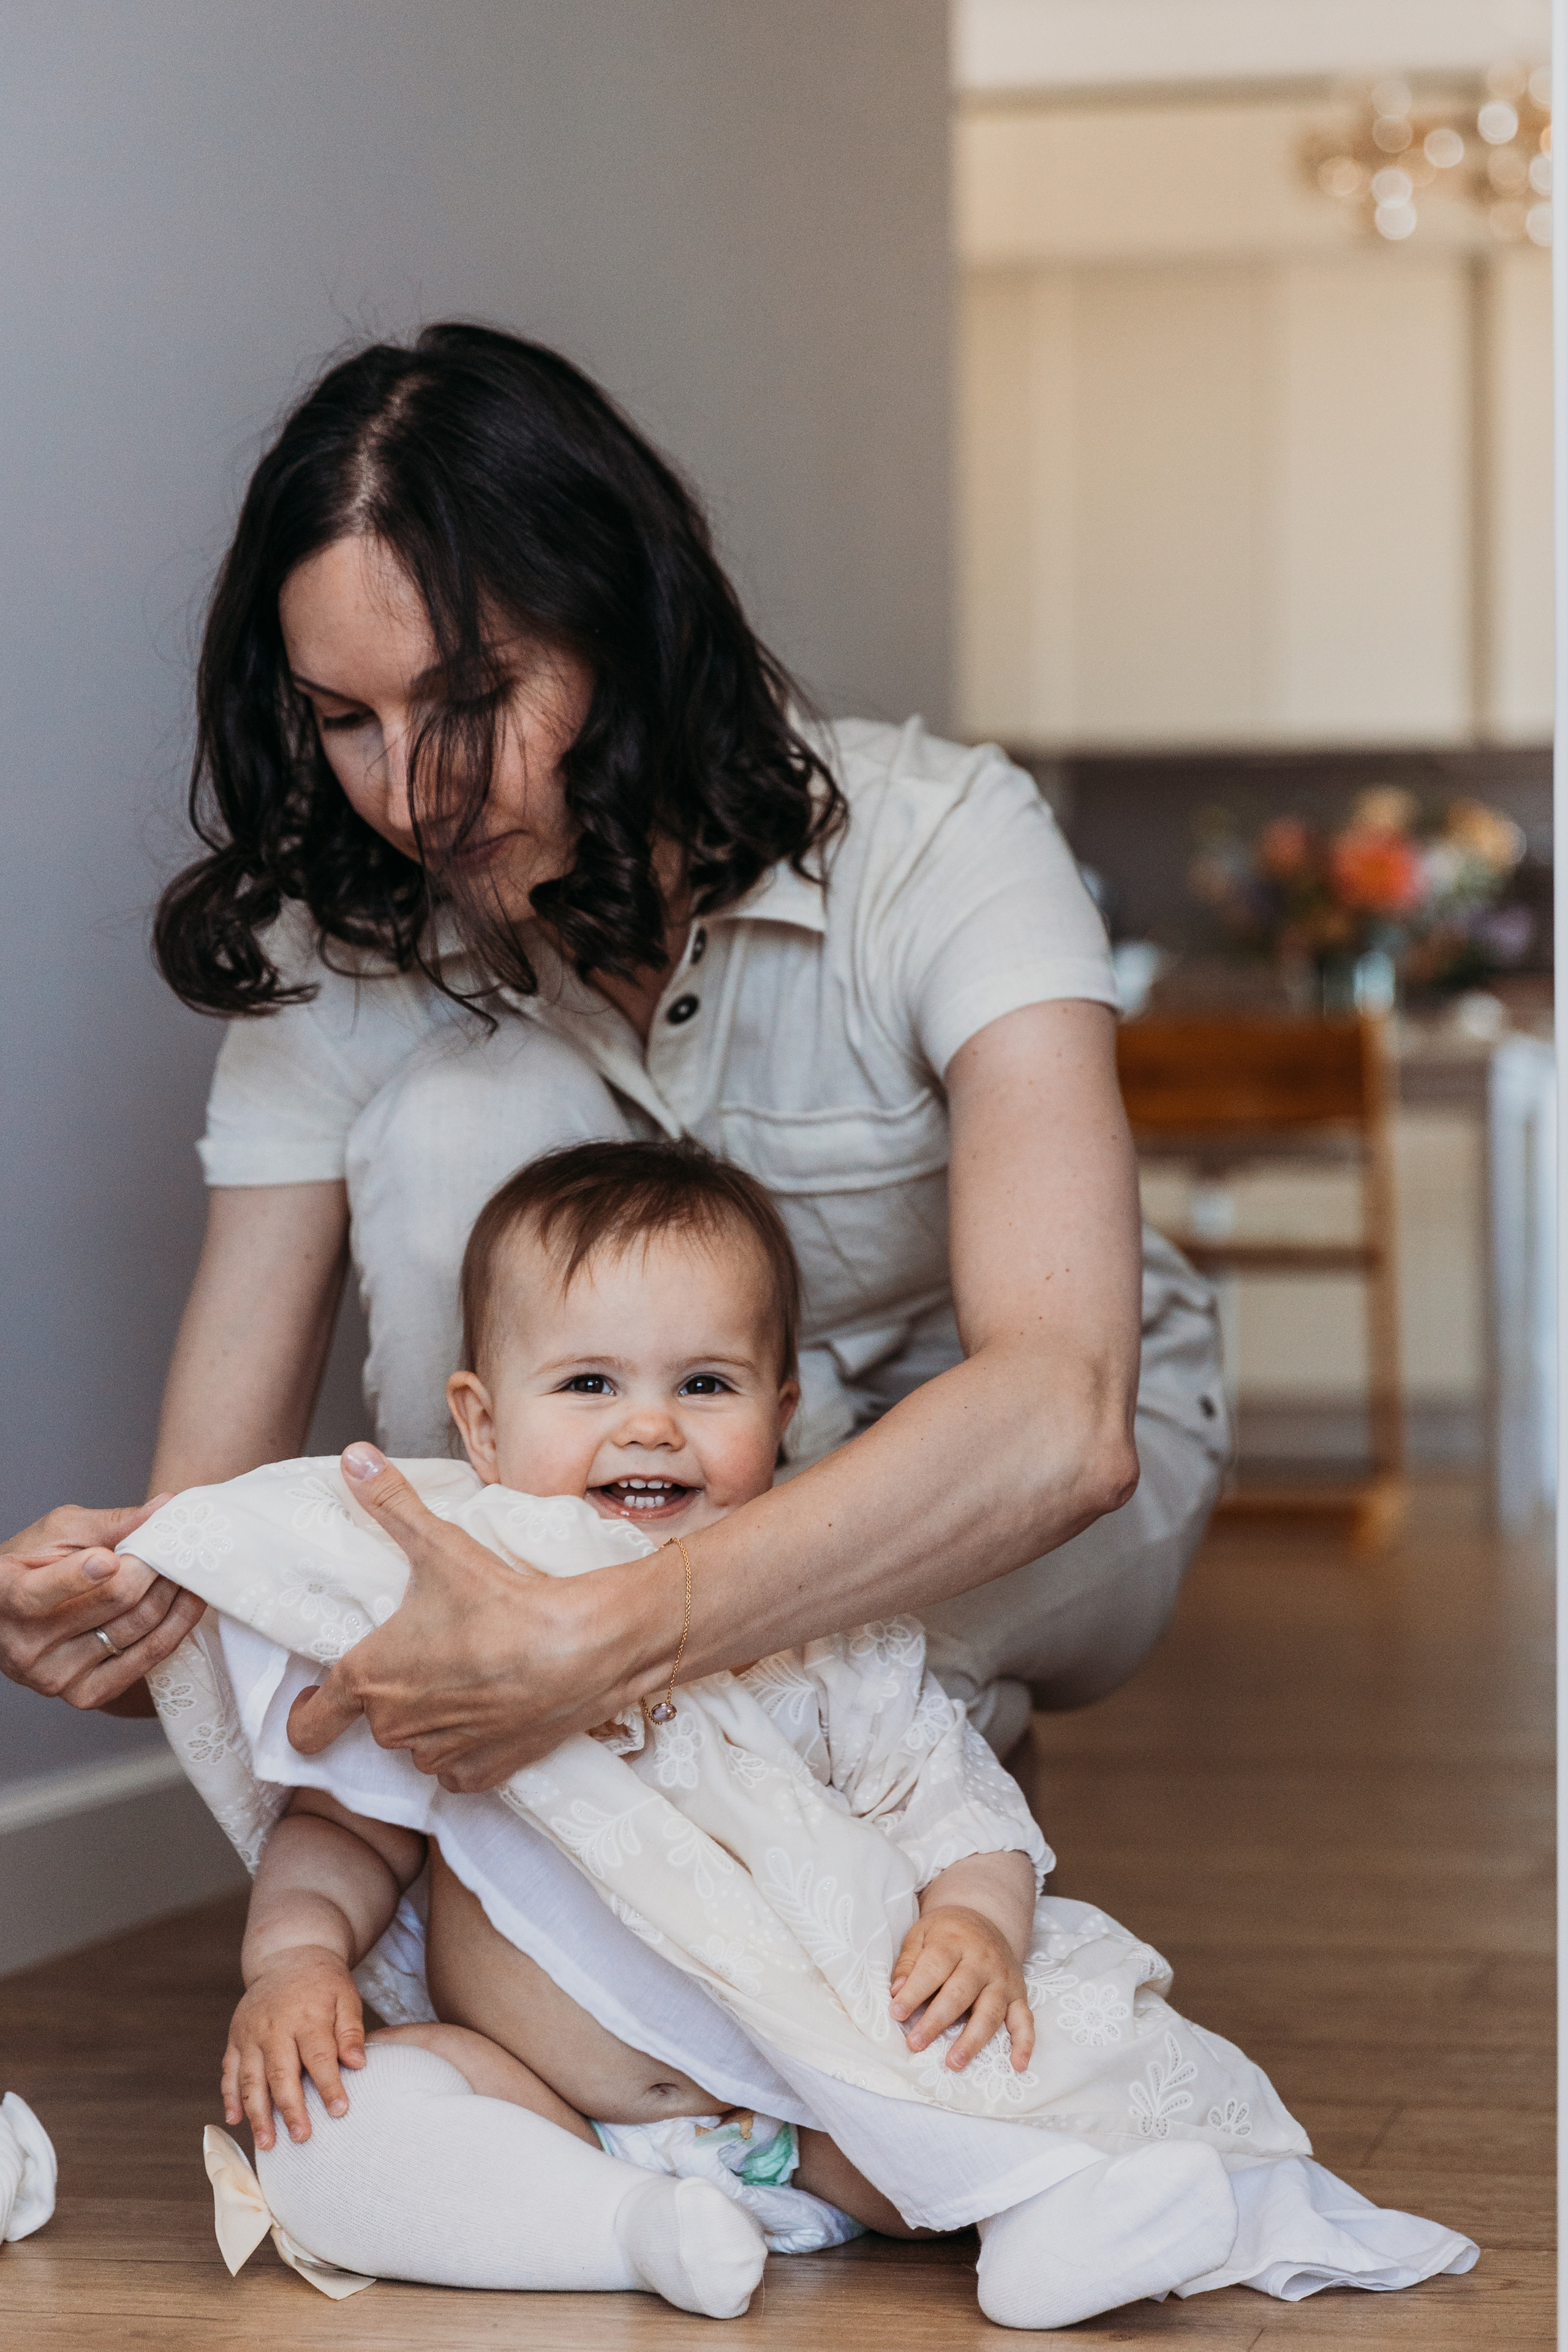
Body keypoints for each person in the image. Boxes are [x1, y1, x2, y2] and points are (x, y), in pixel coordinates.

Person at [0, 320, 1229, 1784]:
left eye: (470, 700)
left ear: (623, 636)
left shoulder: (943, 841)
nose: (413, 795)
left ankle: (892, 1777)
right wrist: (122, 1610)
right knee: (459, 1115)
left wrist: (610, 1632)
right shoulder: (335, 942)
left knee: (833, 1682)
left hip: (1018, 1439)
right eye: (344, 719)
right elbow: (207, 1521)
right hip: (616, 1505)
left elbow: (1061, 1423)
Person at [126, 1140, 1475, 2329]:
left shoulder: (821, 1633)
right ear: (479, 1424)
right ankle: (625, 2235)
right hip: (541, 2101)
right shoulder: (449, 1617)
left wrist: (973, 1922)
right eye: (588, 1381)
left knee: (967, 2087)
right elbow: (344, 1829)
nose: (649, 1424)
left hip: (802, 2110)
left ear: (781, 1418)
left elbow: (956, 1808)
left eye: (705, 1384)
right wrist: (293, 1965)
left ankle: (1047, 2227)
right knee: (328, 2125)